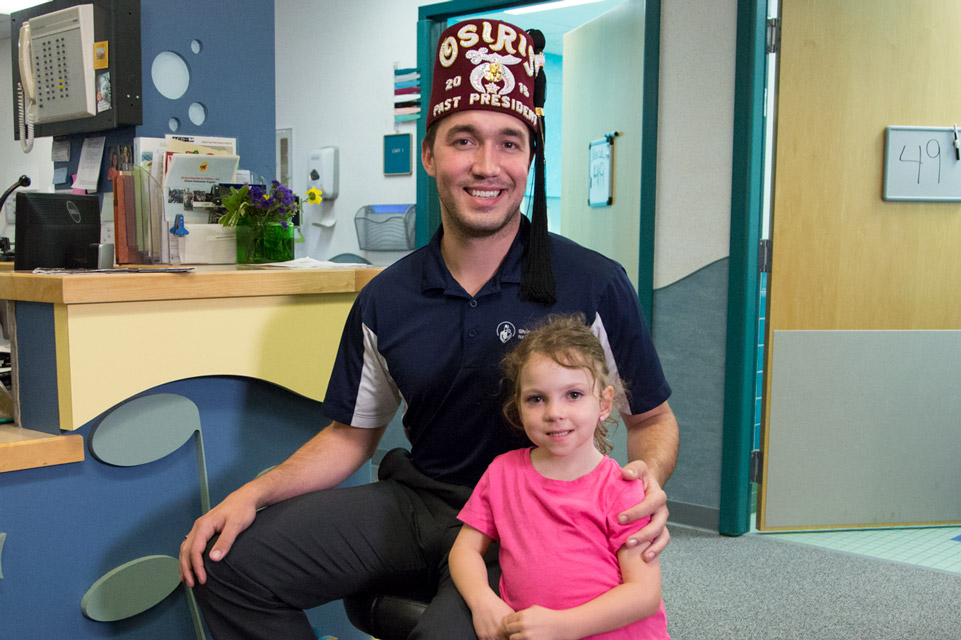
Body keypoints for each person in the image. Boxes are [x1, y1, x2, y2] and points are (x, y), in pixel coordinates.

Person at [179, 18, 678, 639]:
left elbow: (651, 421)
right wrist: (254, 492)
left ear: (530, 156)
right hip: (419, 503)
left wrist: (643, 486)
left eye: (509, 143)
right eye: (463, 140)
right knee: (228, 566)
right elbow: (350, 436)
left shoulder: (593, 284)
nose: (486, 166)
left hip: (534, 519)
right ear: (428, 152)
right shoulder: (387, 298)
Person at [450, 315, 669, 640]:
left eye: (574, 395)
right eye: (537, 399)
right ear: (519, 407)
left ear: (604, 403)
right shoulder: (502, 473)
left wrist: (561, 627)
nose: (555, 412)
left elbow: (644, 594)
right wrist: (482, 600)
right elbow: (464, 550)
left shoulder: (622, 487)